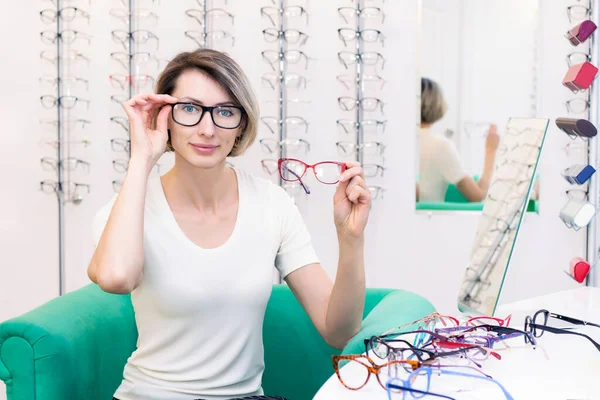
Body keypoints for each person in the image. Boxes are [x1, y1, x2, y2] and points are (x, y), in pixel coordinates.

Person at [88, 49, 371, 400]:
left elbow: (338, 330)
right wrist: (142, 158)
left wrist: (350, 238)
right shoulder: (129, 207)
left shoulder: (272, 204)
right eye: (189, 109)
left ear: (241, 125)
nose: (207, 129)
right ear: (165, 118)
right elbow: (117, 278)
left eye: (225, 112)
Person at [417, 77, 500, 202]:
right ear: (437, 104)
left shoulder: (401, 143)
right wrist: (491, 151)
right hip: (428, 221)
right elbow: (477, 196)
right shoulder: (438, 145)